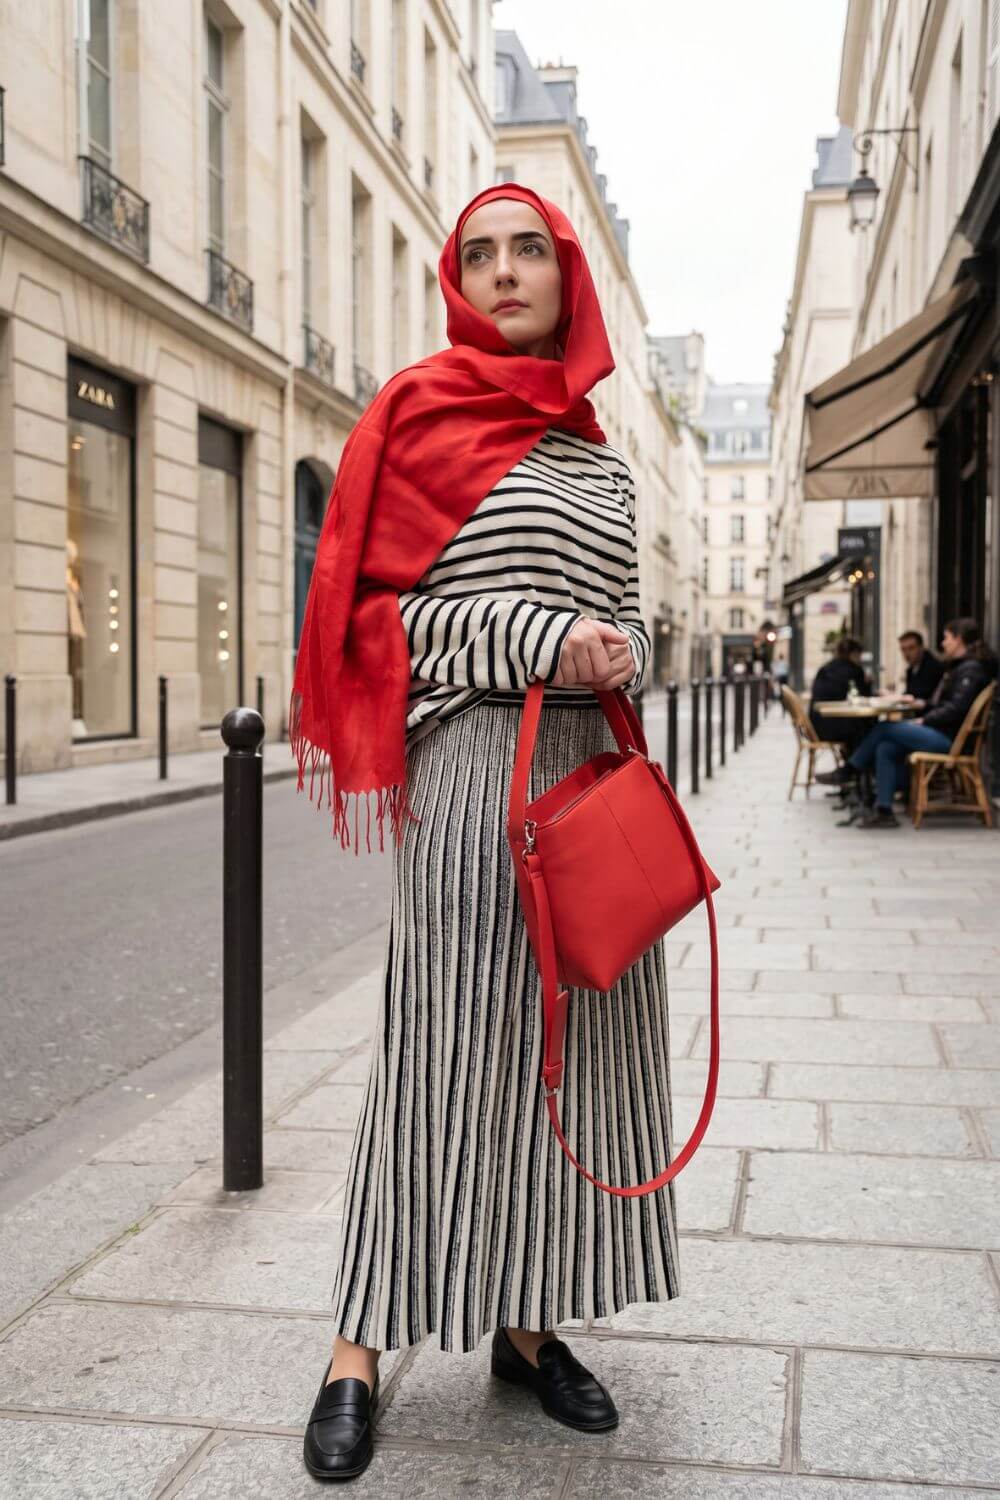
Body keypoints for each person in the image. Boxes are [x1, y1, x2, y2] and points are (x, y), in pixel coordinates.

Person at [289, 184, 679, 1483]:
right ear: (456, 277)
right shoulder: (412, 416)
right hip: (468, 785)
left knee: (567, 1065)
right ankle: (358, 1345)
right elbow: (380, 625)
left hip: (586, 789)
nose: (505, 271)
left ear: (568, 276)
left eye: (529, 250)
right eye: (480, 254)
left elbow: (634, 617)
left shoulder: (602, 462)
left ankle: (526, 1323)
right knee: (442, 1055)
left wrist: (627, 645)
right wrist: (535, 639)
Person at [816, 618, 998, 827]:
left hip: (951, 739)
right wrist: (920, 704)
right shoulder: (961, 668)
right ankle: (883, 809)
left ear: (959, 640)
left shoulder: (970, 670)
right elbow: (945, 705)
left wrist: (924, 719)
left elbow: (956, 709)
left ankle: (851, 769)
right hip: (943, 732)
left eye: (947, 638)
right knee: (886, 746)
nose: (943, 643)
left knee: (884, 728)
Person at [808, 636, 871, 752]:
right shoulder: (854, 670)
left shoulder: (825, 668)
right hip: (835, 729)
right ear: (854, 653)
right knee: (868, 726)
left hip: (814, 728)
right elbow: (864, 696)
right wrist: (868, 683)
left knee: (858, 726)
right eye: (859, 655)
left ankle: (851, 763)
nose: (860, 659)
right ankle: (858, 766)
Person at [898, 629, 945, 704]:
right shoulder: (912, 668)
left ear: (921, 647)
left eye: (911, 648)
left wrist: (898, 697)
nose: (907, 653)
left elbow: (920, 695)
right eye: (903, 649)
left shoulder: (932, 667)